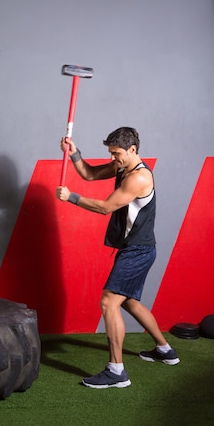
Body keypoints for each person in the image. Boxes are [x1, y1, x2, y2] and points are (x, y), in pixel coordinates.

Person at [56, 127, 179, 389]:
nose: (114, 158)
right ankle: (165, 350)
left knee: (109, 302)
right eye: (111, 153)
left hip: (138, 251)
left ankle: (116, 371)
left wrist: (71, 198)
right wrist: (74, 152)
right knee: (130, 302)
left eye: (117, 153)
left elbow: (105, 207)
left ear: (133, 149)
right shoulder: (122, 167)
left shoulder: (138, 178)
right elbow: (89, 174)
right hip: (137, 248)